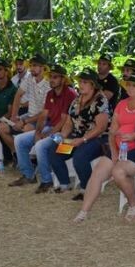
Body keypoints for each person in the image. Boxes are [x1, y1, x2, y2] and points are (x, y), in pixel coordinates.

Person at [73, 71, 135, 222]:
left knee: (118, 171)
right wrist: (114, 152)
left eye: (134, 86)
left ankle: (134, 205)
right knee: (98, 172)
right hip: (121, 149)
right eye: (128, 85)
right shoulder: (121, 104)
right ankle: (84, 211)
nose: (130, 88)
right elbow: (112, 132)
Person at [10, 64, 78, 190]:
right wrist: (38, 131)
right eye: (51, 77)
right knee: (19, 140)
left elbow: (64, 120)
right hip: (51, 128)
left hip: (65, 134)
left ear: (63, 79)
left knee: (41, 145)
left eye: (55, 77)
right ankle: (28, 175)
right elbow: (44, 115)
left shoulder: (70, 94)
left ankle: (46, 180)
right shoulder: (50, 93)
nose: (52, 79)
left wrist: (47, 134)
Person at [43, 68, 109, 196]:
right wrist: (62, 135)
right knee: (54, 150)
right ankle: (64, 184)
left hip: (96, 140)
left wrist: (83, 140)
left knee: (80, 156)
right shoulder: (77, 100)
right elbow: (69, 122)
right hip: (77, 138)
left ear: (93, 85)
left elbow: (101, 127)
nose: (81, 85)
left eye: (85, 82)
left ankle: (87, 188)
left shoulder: (100, 101)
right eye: (80, 82)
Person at [0, 54, 51, 182]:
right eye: (31, 65)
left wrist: (23, 121)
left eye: (35, 66)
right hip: (29, 115)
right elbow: (18, 95)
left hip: (42, 120)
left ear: (43, 68)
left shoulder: (48, 84)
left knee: (27, 129)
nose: (32, 68)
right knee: (2, 127)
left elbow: (44, 113)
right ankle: (18, 155)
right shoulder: (29, 78)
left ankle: (31, 163)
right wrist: (14, 117)